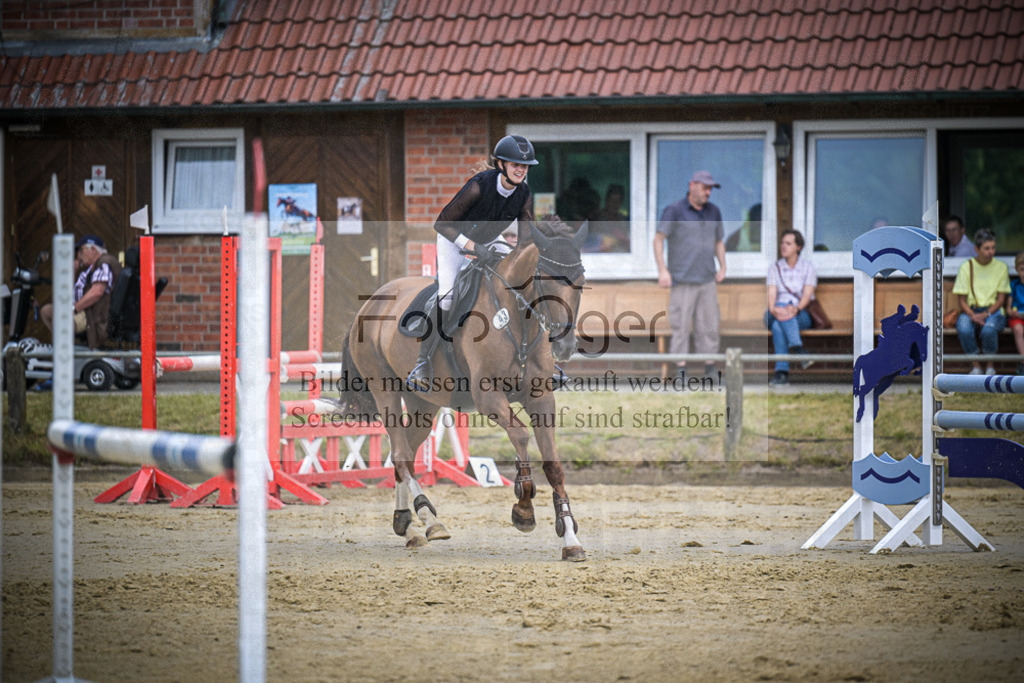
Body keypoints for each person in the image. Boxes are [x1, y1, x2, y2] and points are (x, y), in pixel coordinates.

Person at [406, 134, 537, 390]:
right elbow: (442, 224)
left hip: (489, 239)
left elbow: (527, 237)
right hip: (454, 239)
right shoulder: (478, 186)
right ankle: (423, 362)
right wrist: (473, 247)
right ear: (501, 165)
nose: (521, 170)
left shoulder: (523, 193)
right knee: (447, 297)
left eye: (524, 166)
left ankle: (538, 359)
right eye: (515, 165)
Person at [653, 170, 726, 381]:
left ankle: (710, 368)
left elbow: (718, 242)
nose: (708, 193)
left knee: (710, 326)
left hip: (707, 280)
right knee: (681, 327)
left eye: (711, 189)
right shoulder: (674, 210)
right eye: (705, 188)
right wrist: (662, 270)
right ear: (692, 185)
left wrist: (723, 267)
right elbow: (658, 239)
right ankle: (681, 371)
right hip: (682, 279)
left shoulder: (714, 211)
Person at [40, 234, 121, 350]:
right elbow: (70, 293)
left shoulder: (103, 263)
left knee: (60, 322)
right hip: (81, 308)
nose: (79, 255)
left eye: (81, 251)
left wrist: (74, 309)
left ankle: (63, 355)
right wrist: (73, 271)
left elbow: (97, 292)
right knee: (46, 311)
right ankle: (64, 346)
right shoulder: (89, 270)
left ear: (92, 249)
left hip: (92, 312)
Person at [952, 229, 1010, 375]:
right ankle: (976, 365)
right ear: (976, 249)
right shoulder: (967, 267)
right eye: (987, 248)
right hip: (971, 311)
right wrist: (974, 315)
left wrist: (986, 314)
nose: (991, 251)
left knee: (989, 330)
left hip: (994, 312)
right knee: (964, 327)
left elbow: (1001, 299)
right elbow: (962, 300)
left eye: (993, 247)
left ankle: (990, 365)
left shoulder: (1001, 267)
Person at [763, 229, 817, 385]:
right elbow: (771, 295)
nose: (783, 246)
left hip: (800, 314)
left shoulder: (808, 267)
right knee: (776, 315)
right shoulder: (775, 268)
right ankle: (799, 349)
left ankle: (781, 373)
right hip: (775, 311)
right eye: (782, 243)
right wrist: (775, 309)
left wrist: (795, 309)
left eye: (788, 243)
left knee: (777, 326)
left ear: (798, 247)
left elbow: (807, 295)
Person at [1007, 251, 1024, 375]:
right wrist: (1013, 313)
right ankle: (1023, 361)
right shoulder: (1014, 285)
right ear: (1017, 270)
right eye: (1022, 269)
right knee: (1018, 329)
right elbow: (1008, 309)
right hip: (1017, 317)